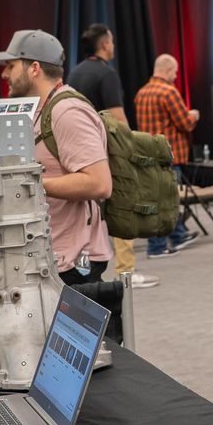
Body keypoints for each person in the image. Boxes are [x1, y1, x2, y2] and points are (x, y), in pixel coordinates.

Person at [0, 29, 114, 284]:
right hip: (52, 257)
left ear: (34, 68)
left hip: (74, 262)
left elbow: (99, 183)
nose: (4, 74)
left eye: (11, 66)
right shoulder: (43, 109)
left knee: (70, 326)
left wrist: (29, 182)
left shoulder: (67, 111)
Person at [67, 23, 143, 282]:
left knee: (86, 212)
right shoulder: (106, 74)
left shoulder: (74, 74)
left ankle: (83, 266)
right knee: (122, 208)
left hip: (77, 155)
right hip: (106, 153)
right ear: (104, 44)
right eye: (111, 41)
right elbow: (118, 118)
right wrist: (132, 151)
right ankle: (126, 271)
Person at [134, 53, 198, 258]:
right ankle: (157, 247)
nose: (176, 76)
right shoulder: (168, 92)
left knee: (163, 199)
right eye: (176, 72)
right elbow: (185, 123)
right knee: (165, 202)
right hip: (168, 156)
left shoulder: (141, 93)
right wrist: (194, 115)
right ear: (169, 70)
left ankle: (179, 235)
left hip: (148, 157)